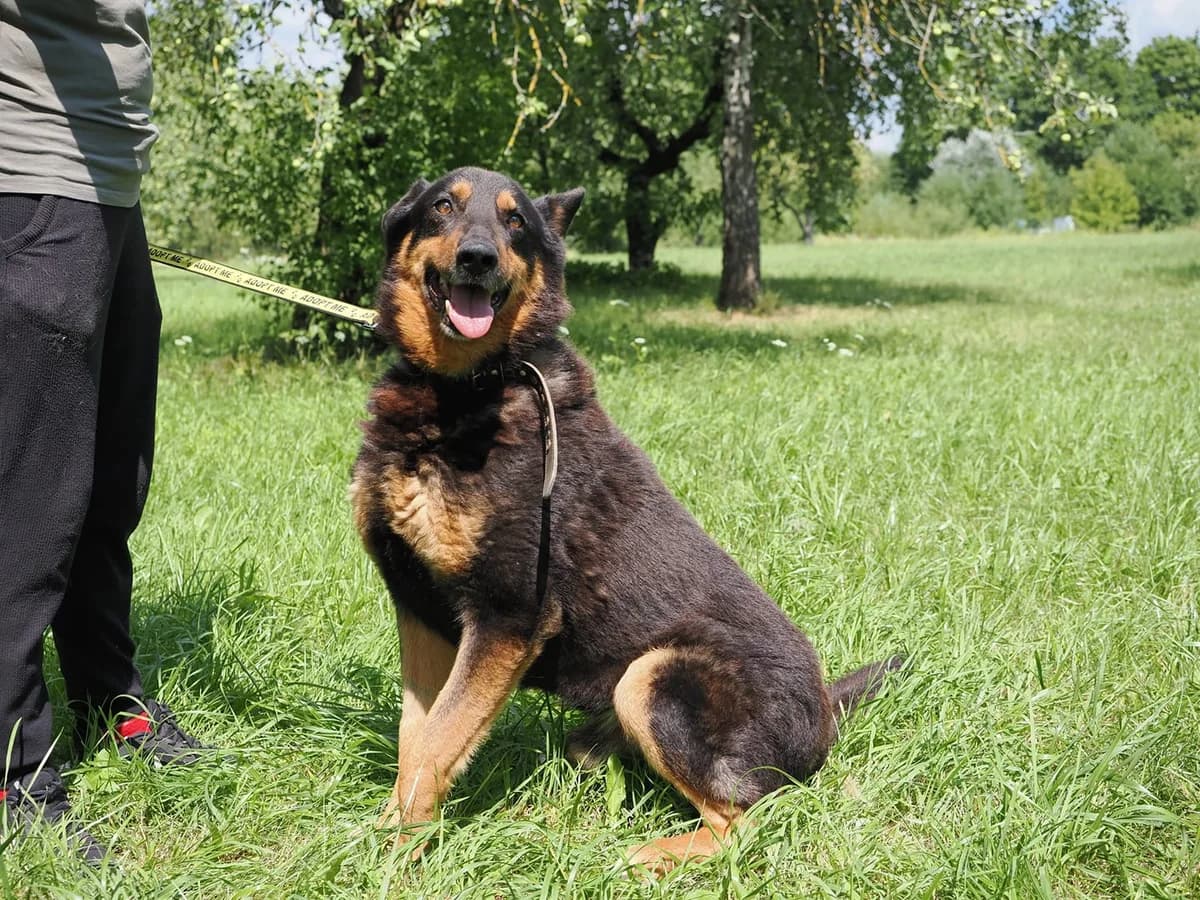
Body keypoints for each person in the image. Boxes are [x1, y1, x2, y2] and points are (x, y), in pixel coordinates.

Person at [1, 1, 209, 863]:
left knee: (108, 474)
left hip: (104, 173)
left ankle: (105, 688)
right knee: (30, 499)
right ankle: (13, 759)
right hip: (30, 162)